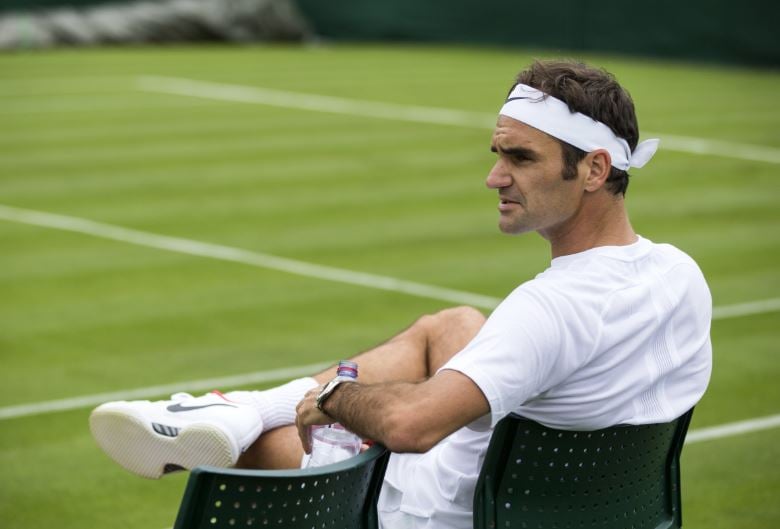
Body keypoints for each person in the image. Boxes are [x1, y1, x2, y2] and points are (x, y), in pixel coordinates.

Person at [90, 59, 712, 529]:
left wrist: (333, 398)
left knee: (267, 440)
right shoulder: (680, 274)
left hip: (435, 515)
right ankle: (241, 406)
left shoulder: (549, 309)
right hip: (602, 515)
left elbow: (412, 426)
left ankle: (243, 417)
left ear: (596, 170)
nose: (495, 177)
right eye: (498, 154)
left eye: (521, 158)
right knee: (454, 325)